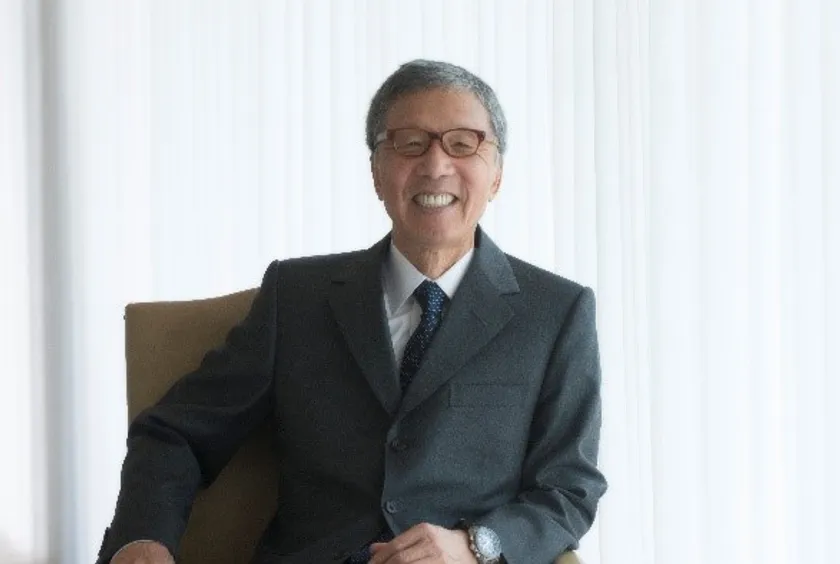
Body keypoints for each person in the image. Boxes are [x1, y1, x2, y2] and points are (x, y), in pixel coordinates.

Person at [98, 59, 607, 564]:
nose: (435, 165)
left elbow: (569, 488)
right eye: (410, 143)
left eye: (462, 143)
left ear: (496, 175)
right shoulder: (295, 297)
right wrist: (142, 539)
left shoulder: (556, 313)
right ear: (376, 173)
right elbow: (177, 433)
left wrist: (476, 545)